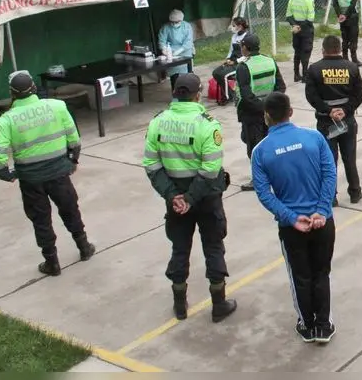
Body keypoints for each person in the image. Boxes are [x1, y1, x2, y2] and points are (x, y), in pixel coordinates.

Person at [142, 73, 236, 323]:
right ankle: (219, 304)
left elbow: (151, 164)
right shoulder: (208, 124)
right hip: (206, 198)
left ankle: (180, 305)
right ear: (198, 94)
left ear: (174, 93)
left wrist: (175, 197)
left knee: (180, 248)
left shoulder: (157, 122)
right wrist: (191, 198)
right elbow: (210, 170)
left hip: (175, 201)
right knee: (214, 247)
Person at [0, 71, 95, 276]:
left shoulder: (6, 120)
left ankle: (52, 263)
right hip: (58, 174)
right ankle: (84, 247)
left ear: (12, 93)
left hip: (31, 181)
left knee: (41, 219)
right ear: (34, 89)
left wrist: (6, 174)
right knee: (70, 210)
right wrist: (72, 160)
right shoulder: (57, 106)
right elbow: (74, 139)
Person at [251, 92, 338, 344]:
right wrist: (321, 210)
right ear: (290, 112)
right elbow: (329, 175)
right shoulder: (314, 138)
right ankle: (324, 325)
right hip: (323, 223)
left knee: (300, 275)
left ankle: (307, 325)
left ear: (266, 117)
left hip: (292, 227)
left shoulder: (260, 152)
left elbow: (263, 194)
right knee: (322, 272)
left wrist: (291, 217)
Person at [305, 36, 362, 206]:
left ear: (323, 50)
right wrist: (345, 110)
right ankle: (355, 192)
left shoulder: (315, 69)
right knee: (349, 157)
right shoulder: (351, 67)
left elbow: (311, 96)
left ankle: (331, 196)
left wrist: (328, 110)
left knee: (328, 160)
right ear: (340, 49)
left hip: (326, 121)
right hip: (347, 120)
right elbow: (359, 94)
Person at [234, 33, 286, 191]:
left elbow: (246, 95)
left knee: (254, 148)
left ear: (245, 48)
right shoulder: (270, 61)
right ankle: (275, 174)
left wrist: (261, 107)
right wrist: (271, 106)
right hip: (270, 114)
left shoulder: (244, 67)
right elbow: (281, 87)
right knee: (269, 143)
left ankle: (258, 180)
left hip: (252, 114)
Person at [210, 16, 250, 106]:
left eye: (234, 25)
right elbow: (231, 50)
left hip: (241, 64)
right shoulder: (234, 37)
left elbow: (247, 55)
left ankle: (228, 97)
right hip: (232, 61)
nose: (232, 27)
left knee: (222, 75)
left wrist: (235, 62)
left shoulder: (247, 37)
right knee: (216, 72)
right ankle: (231, 93)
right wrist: (228, 59)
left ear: (240, 26)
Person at [287, 0, 317, 83]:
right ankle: (305, 76)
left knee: (297, 52)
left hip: (295, 30)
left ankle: (296, 75)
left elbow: (289, 16)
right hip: (306, 30)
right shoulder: (310, 0)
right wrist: (300, 26)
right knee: (306, 52)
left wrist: (295, 25)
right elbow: (310, 19)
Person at [333, 0, 362, 67]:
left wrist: (340, 15)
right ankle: (354, 59)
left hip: (342, 18)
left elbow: (335, 4)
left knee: (345, 38)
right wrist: (346, 15)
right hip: (352, 17)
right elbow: (353, 4)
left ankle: (345, 59)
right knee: (353, 38)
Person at [158, 9, 195, 89]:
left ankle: (187, 94)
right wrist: (164, 49)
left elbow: (188, 42)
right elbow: (162, 40)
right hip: (171, 53)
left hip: (185, 52)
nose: (174, 24)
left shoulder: (187, 26)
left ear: (181, 20)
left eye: (177, 22)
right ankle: (175, 96)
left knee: (186, 76)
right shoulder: (166, 27)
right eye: (172, 22)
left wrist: (180, 51)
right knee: (174, 76)